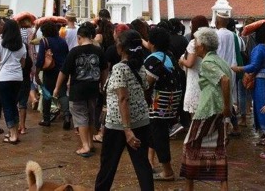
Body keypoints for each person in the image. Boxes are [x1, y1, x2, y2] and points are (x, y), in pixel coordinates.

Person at [94, 30, 154, 191]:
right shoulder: (140, 66)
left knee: (108, 166)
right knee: (142, 165)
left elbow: (123, 98)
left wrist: (127, 130)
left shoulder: (120, 68)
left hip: (118, 124)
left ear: (121, 48)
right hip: (141, 120)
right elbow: (145, 87)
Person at [180, 27, 231, 191]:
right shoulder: (219, 60)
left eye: (197, 42)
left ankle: (189, 187)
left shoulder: (208, 62)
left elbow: (224, 81)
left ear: (203, 46)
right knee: (219, 148)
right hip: (217, 110)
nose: (194, 46)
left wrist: (225, 106)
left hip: (208, 109)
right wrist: (226, 107)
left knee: (189, 146)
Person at [54, 22, 108, 157]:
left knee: (80, 117)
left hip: (77, 89)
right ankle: (89, 143)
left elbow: (64, 72)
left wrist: (56, 88)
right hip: (93, 89)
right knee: (90, 116)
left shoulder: (74, 52)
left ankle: (85, 146)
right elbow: (104, 70)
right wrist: (103, 85)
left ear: (79, 37)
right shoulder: (99, 51)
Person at [144, 27, 183, 181]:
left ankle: (167, 171)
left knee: (159, 135)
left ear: (151, 43)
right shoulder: (170, 56)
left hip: (158, 102)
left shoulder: (152, 59)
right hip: (173, 101)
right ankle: (150, 161)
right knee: (156, 133)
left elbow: (148, 83)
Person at [232, 22, 265, 141]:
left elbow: (254, 65)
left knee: (261, 105)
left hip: (261, 79)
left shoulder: (259, 48)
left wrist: (239, 68)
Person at [0, 19, 26, 144]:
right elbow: (23, 63)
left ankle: (13, 135)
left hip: (4, 77)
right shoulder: (22, 45)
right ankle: (13, 132)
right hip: (17, 77)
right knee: (13, 105)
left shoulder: (1, 43)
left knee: (7, 106)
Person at [36, 21, 71, 128]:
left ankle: (46, 119)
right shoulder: (62, 41)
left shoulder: (44, 41)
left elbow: (40, 58)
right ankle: (66, 115)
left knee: (47, 94)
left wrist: (37, 73)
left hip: (49, 71)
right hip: (62, 71)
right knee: (62, 93)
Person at [178, 16, 209, 117]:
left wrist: (182, 60)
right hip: (205, 77)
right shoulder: (208, 42)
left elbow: (190, 63)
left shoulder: (194, 43)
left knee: (195, 115)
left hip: (195, 79)